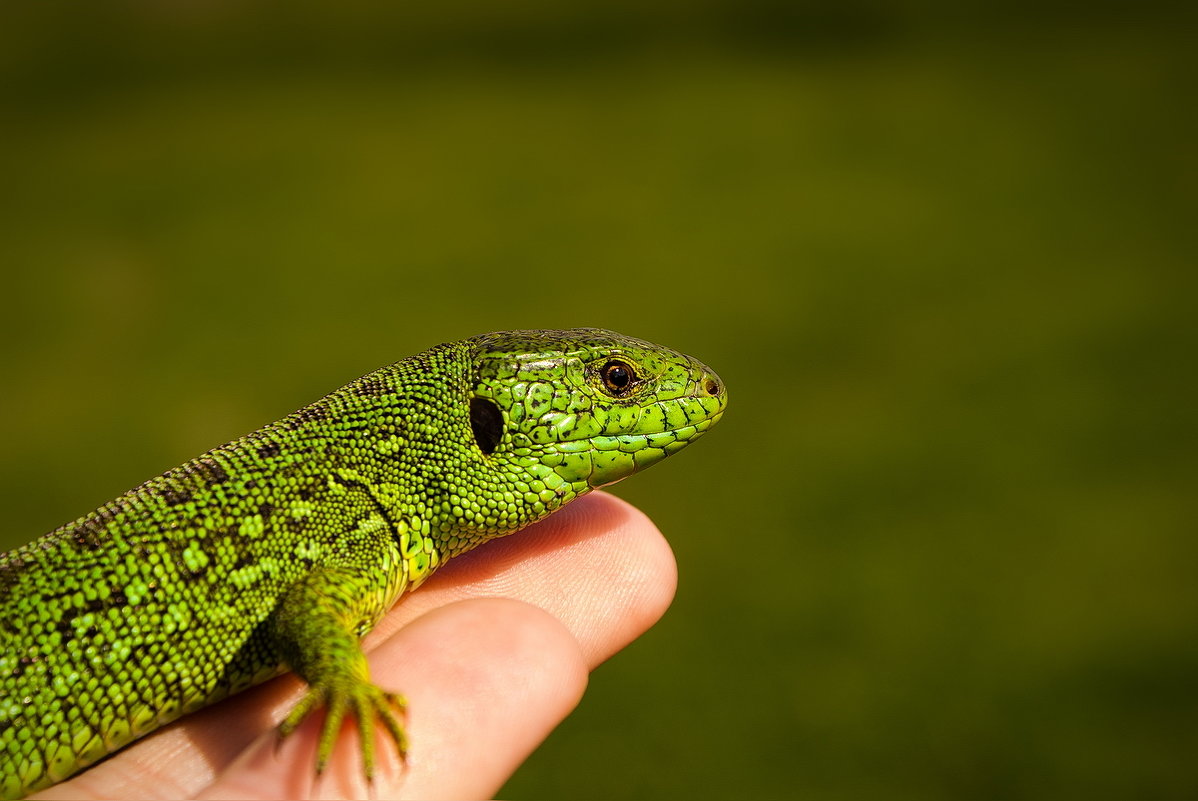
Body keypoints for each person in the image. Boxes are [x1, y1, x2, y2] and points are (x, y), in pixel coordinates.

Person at [34, 492, 676, 800]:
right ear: (491, 417)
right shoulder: (369, 522)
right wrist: (344, 678)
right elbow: (308, 616)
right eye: (615, 384)